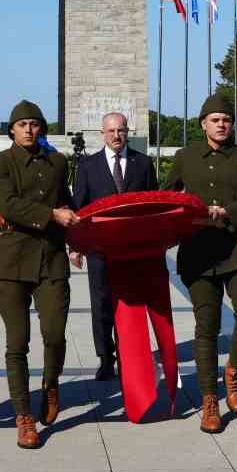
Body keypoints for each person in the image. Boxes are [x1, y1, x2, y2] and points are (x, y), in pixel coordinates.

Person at [163, 94, 237, 433]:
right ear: (203, 124)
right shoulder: (185, 157)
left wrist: (229, 212)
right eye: (215, 119)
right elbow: (167, 196)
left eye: (226, 119)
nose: (221, 124)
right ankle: (210, 400)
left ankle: (233, 371)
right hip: (199, 255)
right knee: (206, 328)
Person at [0, 99, 80, 450]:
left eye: (34, 124)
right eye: (22, 124)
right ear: (11, 129)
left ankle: (51, 384)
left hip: (51, 259)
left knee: (54, 334)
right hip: (11, 262)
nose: (28, 129)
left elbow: (67, 202)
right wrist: (52, 215)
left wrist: (78, 239)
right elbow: (8, 205)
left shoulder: (58, 162)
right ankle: (24, 416)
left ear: (41, 128)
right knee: (17, 342)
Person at [69, 112, 158, 381]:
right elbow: (79, 208)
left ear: (127, 132)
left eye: (121, 130)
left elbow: (152, 205)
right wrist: (75, 245)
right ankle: (106, 357)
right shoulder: (87, 166)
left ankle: (129, 355)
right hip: (99, 248)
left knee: (131, 303)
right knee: (101, 304)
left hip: (134, 249)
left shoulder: (143, 163)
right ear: (102, 134)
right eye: (111, 131)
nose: (116, 136)